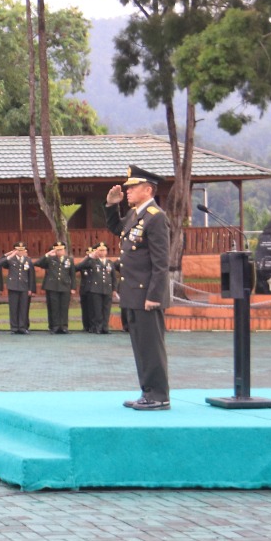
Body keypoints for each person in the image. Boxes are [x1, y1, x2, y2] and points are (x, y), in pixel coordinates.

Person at [106, 168, 172, 409]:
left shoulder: (156, 217)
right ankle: (148, 392)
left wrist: (154, 296)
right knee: (141, 346)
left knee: (151, 346)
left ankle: (159, 396)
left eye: (133, 187)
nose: (128, 190)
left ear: (148, 189)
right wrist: (112, 206)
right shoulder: (136, 215)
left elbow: (161, 261)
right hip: (132, 293)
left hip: (146, 295)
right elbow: (117, 229)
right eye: (128, 187)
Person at [35, 242, 76, 334]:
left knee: (64, 307)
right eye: (57, 250)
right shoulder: (50, 259)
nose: (59, 251)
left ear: (64, 250)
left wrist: (73, 287)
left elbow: (72, 275)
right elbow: (37, 263)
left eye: (61, 249)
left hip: (65, 286)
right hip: (53, 287)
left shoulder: (69, 260)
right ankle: (55, 326)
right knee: (54, 307)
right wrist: (48, 254)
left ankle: (64, 327)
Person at [75, 243, 116, 335]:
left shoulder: (110, 262)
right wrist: (90, 256)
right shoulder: (92, 262)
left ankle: (105, 327)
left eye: (104, 250)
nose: (102, 252)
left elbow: (113, 277)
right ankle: (98, 327)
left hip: (107, 289)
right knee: (97, 310)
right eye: (100, 250)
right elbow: (79, 267)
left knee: (106, 309)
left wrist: (114, 289)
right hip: (96, 289)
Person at [0, 243, 36, 333]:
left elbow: (31, 276)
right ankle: (14, 327)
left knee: (23, 308)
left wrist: (31, 289)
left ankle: (22, 327)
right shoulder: (11, 260)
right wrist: (9, 254)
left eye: (22, 250)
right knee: (13, 308)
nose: (20, 252)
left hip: (24, 287)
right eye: (18, 250)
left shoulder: (28, 260)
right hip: (13, 286)